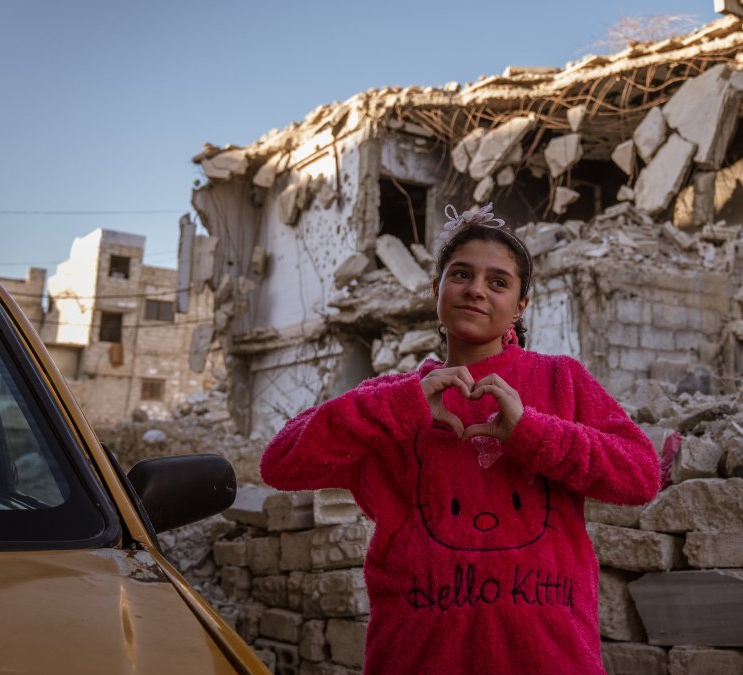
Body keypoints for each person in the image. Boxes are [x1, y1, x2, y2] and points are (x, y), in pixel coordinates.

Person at [260, 203, 660, 674]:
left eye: (497, 282)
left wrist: (532, 431)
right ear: (436, 290)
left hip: (550, 659)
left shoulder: (561, 382)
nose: (475, 290)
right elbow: (280, 463)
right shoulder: (388, 399)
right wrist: (400, 406)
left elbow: (641, 477)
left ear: (520, 305)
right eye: (461, 275)